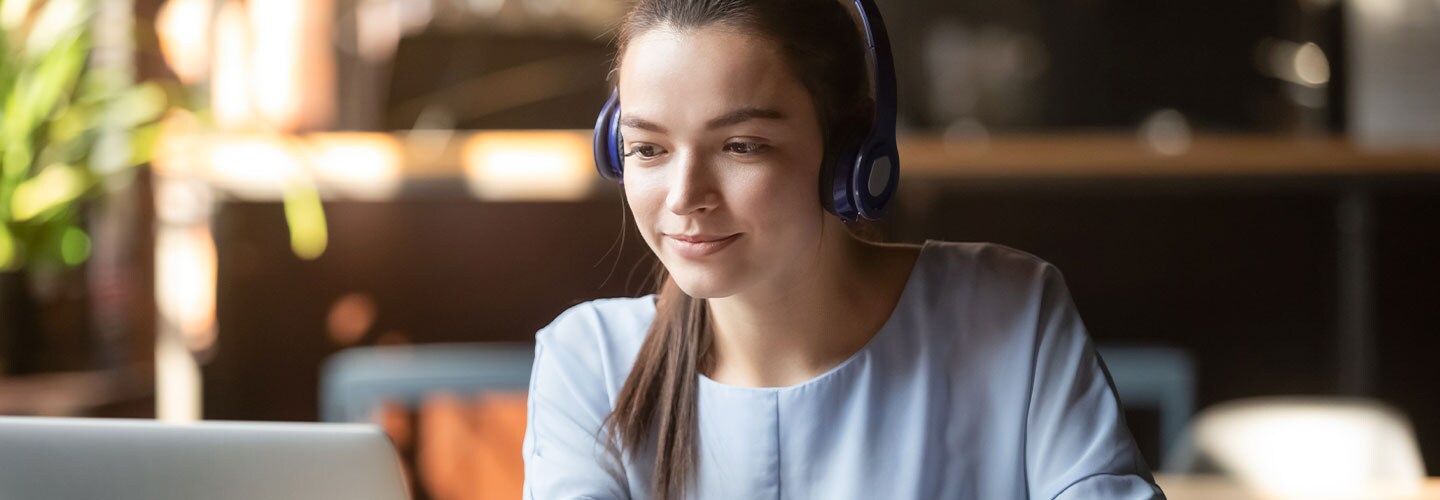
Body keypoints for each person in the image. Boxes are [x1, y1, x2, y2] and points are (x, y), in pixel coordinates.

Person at [523, 0, 1164, 498]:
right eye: (648, 149)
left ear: (850, 156)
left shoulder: (1008, 312)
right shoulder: (590, 364)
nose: (685, 196)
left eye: (742, 146)